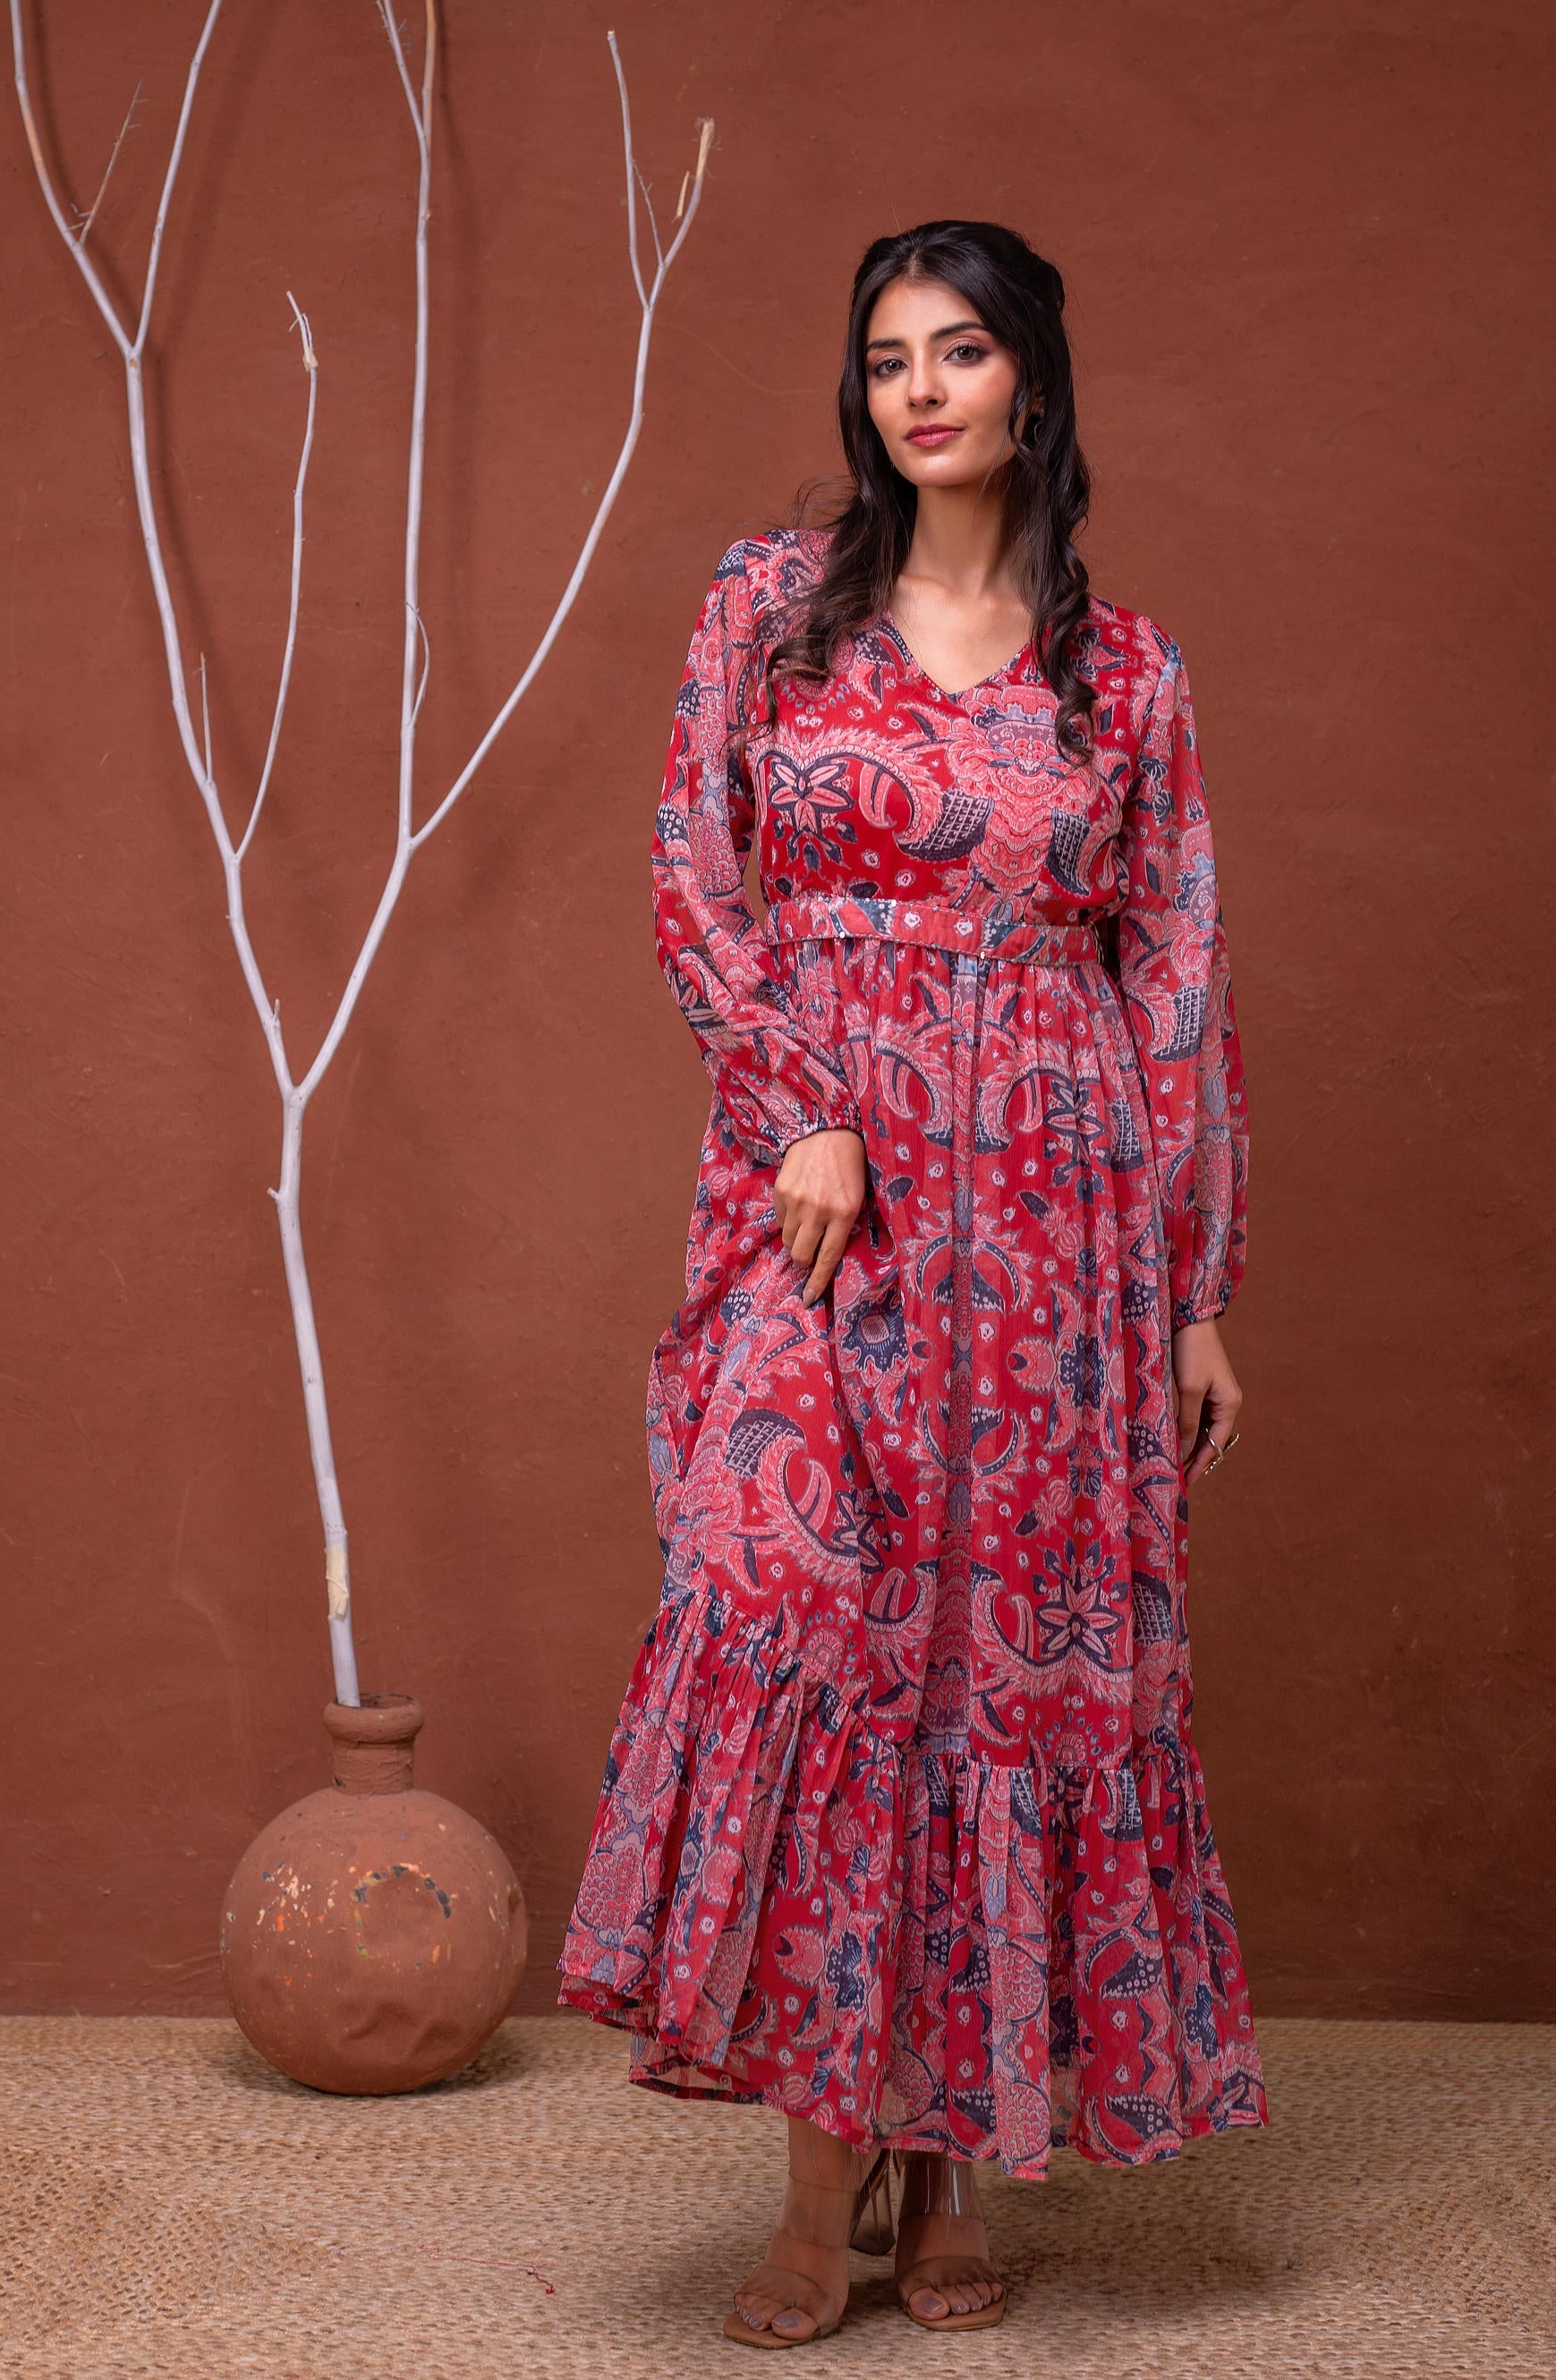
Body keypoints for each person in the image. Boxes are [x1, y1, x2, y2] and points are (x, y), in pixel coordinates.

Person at [557, 217, 1267, 2349]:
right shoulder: (770, 615)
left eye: (959, 352)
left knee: (990, 1669)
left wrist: (1191, 1287)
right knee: (807, 1621)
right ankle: (810, 2177)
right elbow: (694, 883)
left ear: (1029, 383)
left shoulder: (1116, 674)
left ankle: (943, 2171)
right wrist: (795, 1109)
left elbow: (1179, 984)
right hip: (826, 1206)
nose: (919, 389)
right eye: (884, 358)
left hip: (1054, 1220)